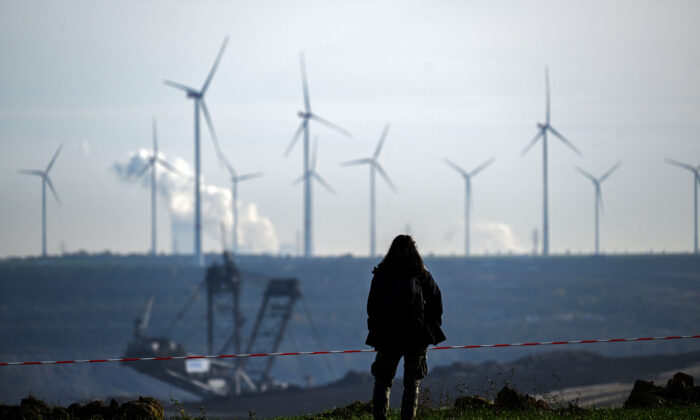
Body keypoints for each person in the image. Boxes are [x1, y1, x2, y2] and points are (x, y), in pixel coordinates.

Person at [366, 235, 446, 420]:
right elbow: (436, 298)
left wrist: (377, 330)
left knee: (383, 382)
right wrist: (430, 326)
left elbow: (372, 306)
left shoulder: (382, 273)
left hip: (388, 337)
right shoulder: (420, 273)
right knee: (412, 384)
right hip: (416, 336)